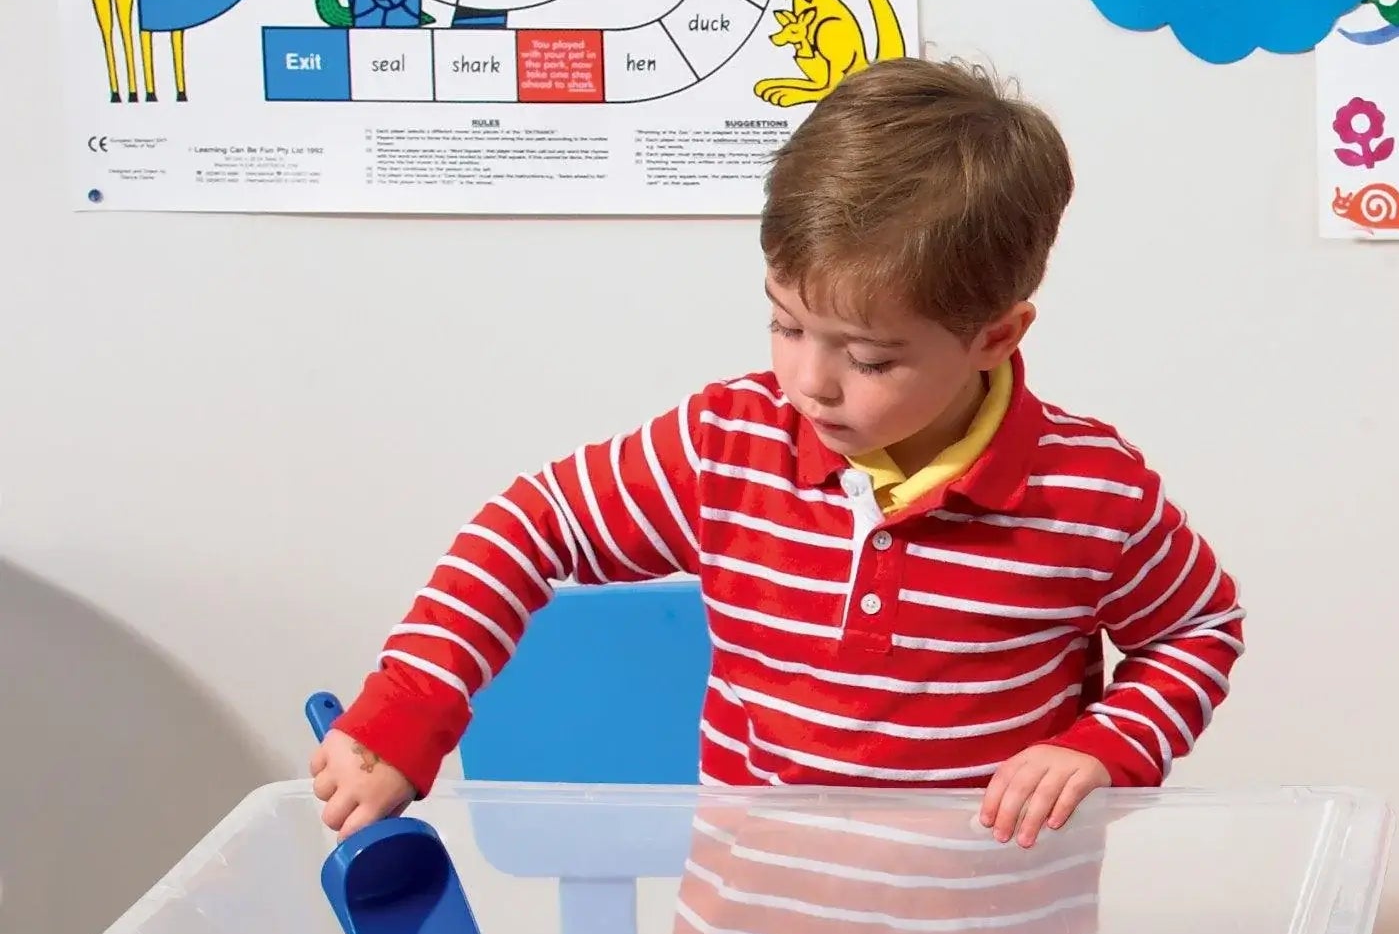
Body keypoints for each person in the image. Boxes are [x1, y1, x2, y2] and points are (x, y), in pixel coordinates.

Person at [310, 57, 1244, 892]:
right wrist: (410, 705)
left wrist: (1102, 748)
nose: (808, 381)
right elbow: (529, 523)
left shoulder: (1090, 490)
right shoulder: (728, 440)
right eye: (786, 324)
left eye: (869, 358)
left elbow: (1197, 628)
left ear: (994, 335)